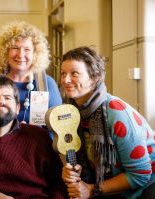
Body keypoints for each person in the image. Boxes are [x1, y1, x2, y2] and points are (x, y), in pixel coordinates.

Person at [59, 46, 155, 199]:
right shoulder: (70, 111)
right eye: (63, 73)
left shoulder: (116, 112)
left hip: (146, 186)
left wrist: (91, 189)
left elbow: (141, 174)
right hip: (107, 184)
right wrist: (73, 169)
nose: (65, 80)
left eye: (74, 73)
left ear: (94, 77)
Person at [0, 20, 62, 127]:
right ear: (5, 51)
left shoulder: (47, 84)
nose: (20, 55)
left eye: (27, 49)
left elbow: (57, 128)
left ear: (36, 53)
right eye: (15, 48)